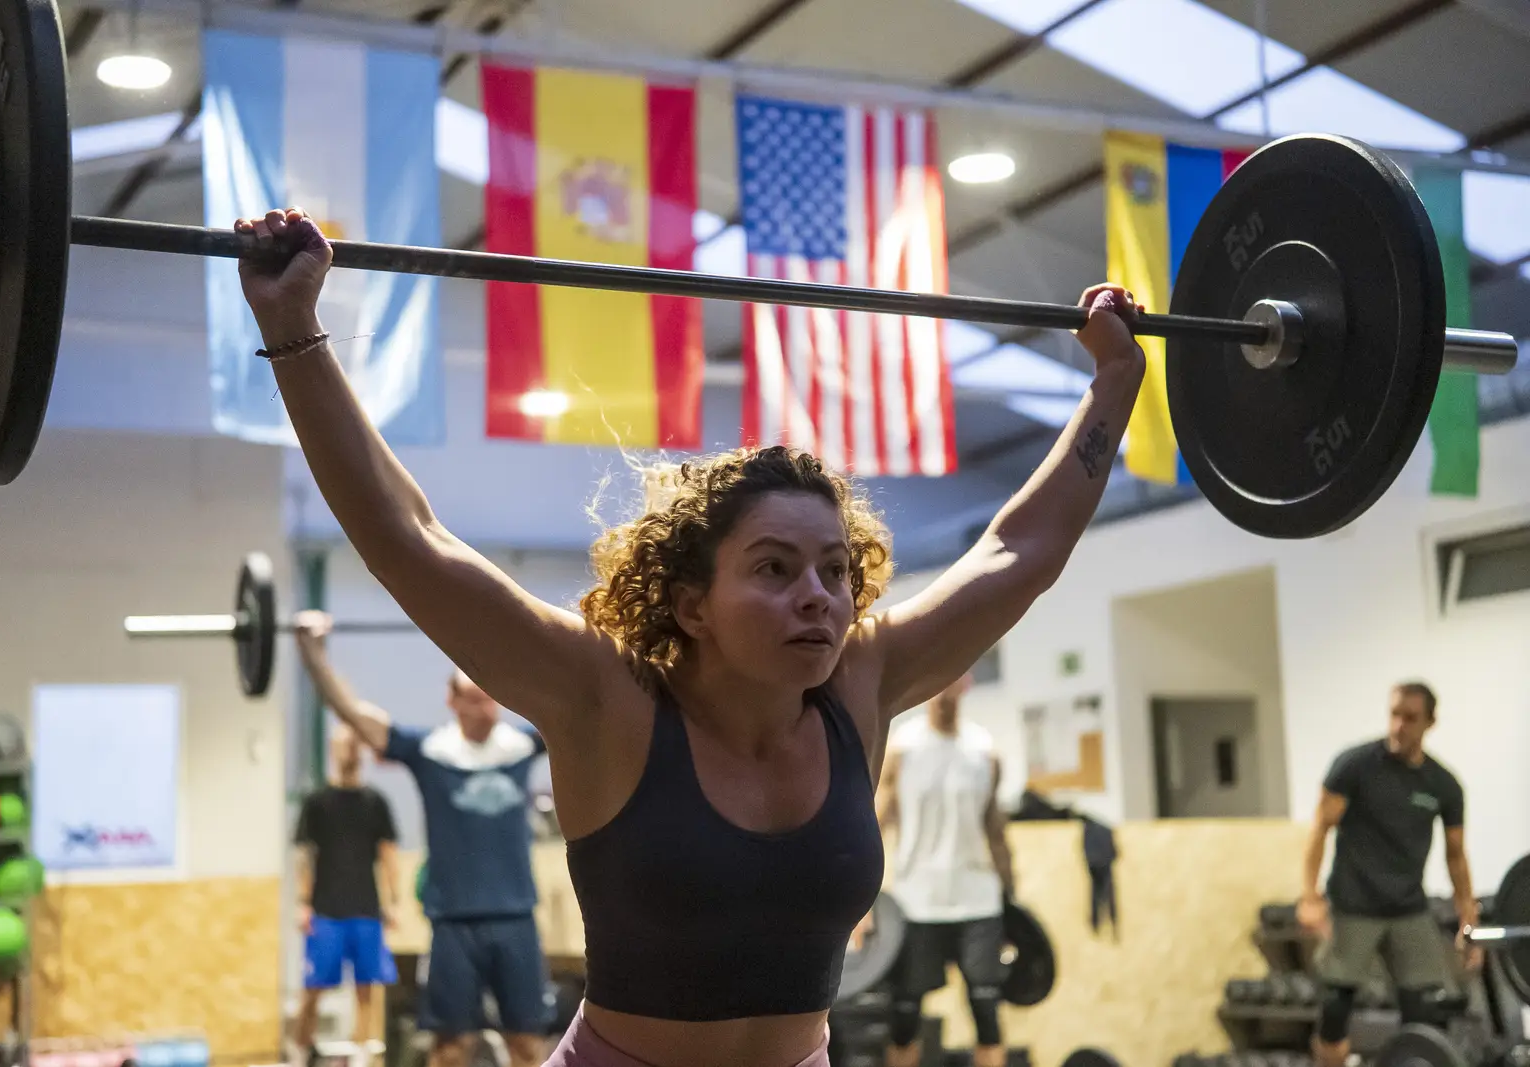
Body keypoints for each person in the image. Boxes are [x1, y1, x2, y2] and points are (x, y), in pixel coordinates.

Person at [234, 205, 1146, 1067]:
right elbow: (410, 539)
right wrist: (293, 329)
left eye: (836, 570)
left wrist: (1114, 384)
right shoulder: (603, 697)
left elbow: (1017, 552)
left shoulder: (863, 682)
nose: (819, 598)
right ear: (691, 603)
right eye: (775, 569)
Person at [295, 616, 552, 1067]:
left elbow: (583, 705)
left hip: (516, 918)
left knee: (528, 1047)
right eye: (474, 699)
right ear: (452, 702)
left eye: (490, 698)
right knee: (450, 1051)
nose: (486, 709)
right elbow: (353, 715)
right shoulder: (429, 751)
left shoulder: (521, 746)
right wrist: (312, 652)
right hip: (453, 924)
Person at [1298, 682, 1480, 1067]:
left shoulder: (1442, 785)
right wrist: (1309, 896)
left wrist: (1468, 915)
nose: (1399, 725)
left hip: (1407, 908)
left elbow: (1456, 856)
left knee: (1423, 1013)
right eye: (1395, 714)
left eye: (1410, 718)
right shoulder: (1355, 766)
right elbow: (1320, 829)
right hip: (1354, 904)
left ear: (1430, 722)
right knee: (1334, 1009)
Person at [872, 673, 1013, 1067]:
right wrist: (863, 905)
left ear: (966, 683)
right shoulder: (903, 748)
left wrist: (1011, 897)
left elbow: (995, 831)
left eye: (952, 679)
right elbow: (876, 826)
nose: (942, 688)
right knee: (904, 1016)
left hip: (978, 900)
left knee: (987, 1013)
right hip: (917, 902)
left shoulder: (984, 751)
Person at [292, 723, 401, 1060]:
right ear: (332, 749)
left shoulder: (375, 802)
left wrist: (393, 901)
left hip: (366, 909)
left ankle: (361, 1053)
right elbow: (304, 856)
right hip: (326, 910)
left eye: (355, 743)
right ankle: (301, 1051)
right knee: (314, 988)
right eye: (343, 743)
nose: (350, 749)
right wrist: (303, 903)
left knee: (366, 989)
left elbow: (388, 854)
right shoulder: (317, 802)